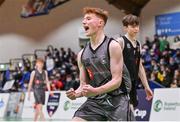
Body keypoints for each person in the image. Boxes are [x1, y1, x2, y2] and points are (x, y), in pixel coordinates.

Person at [66, 7, 133, 121]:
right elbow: (83, 85)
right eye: (84, 19)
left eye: (88, 19)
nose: (84, 22)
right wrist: (76, 94)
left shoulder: (113, 46)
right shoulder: (81, 54)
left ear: (100, 23)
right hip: (95, 102)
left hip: (117, 100)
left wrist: (96, 91)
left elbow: (117, 81)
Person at [115, 14, 153, 112]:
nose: (136, 28)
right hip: (120, 85)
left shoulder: (138, 44)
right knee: (127, 112)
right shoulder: (120, 42)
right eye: (132, 26)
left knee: (130, 113)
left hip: (132, 84)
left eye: (137, 26)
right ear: (125, 28)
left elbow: (139, 67)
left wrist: (147, 87)